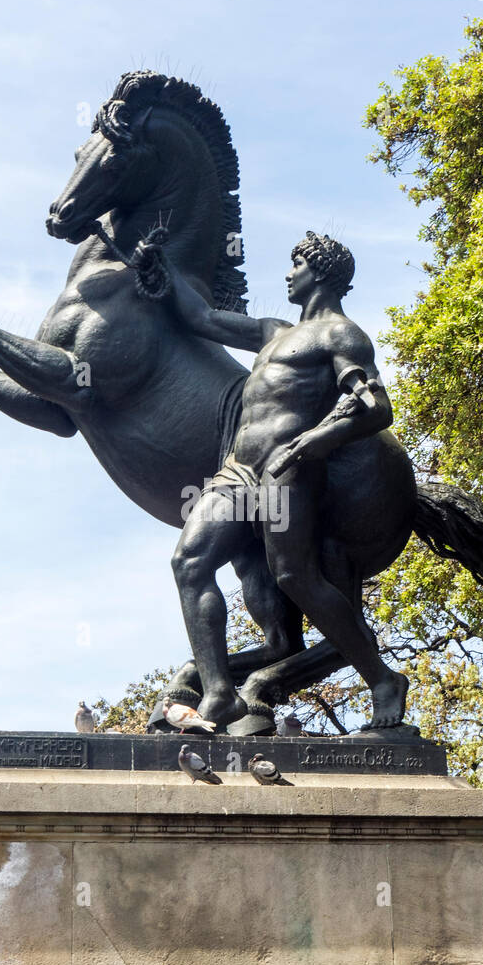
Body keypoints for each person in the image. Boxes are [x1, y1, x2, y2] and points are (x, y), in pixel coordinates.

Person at [149, 230, 409, 731]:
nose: (288, 273)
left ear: (322, 272)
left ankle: (382, 678)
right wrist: (162, 263)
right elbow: (200, 319)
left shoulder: (342, 335)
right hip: (238, 469)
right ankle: (220, 693)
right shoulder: (274, 331)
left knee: (296, 578)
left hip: (287, 469)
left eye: (296, 264)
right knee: (189, 562)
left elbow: (377, 409)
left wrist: (315, 442)